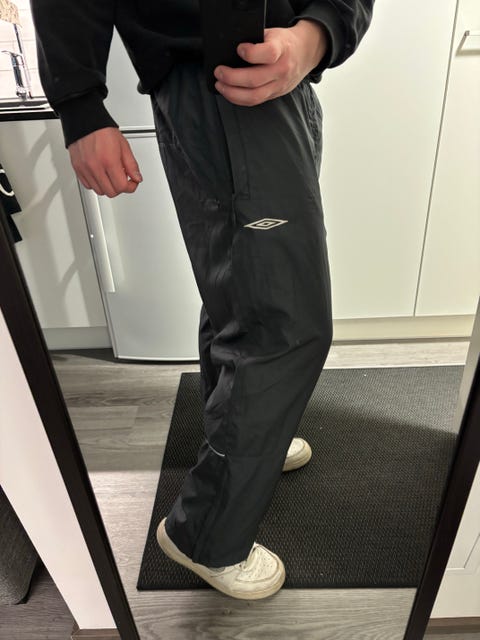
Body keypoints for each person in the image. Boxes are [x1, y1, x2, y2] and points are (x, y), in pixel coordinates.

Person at [30, 0, 374, 600]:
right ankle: (205, 534)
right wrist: (80, 104)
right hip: (219, 78)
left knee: (241, 290)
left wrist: (318, 34)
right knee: (282, 324)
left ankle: (244, 440)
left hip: (284, 74)